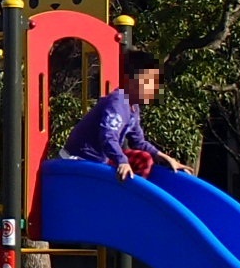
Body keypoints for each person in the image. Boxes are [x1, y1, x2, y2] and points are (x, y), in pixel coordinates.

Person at [61, 49, 189, 179]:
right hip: (79, 160)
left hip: (98, 161)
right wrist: (122, 161)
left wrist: (165, 157)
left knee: (143, 159)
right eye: (149, 82)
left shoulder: (133, 107)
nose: (154, 88)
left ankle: (130, 193)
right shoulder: (118, 101)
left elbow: (139, 142)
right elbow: (108, 136)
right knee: (125, 165)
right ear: (129, 80)